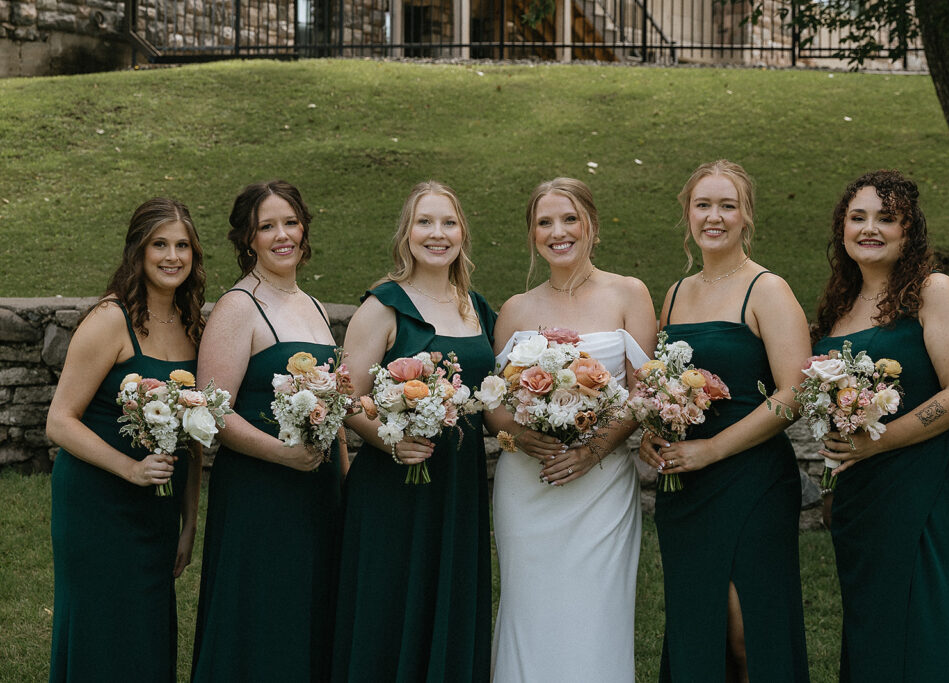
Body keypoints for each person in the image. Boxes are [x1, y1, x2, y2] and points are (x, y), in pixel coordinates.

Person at [638, 160, 810, 682]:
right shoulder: (674, 294)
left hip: (750, 479)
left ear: (746, 216)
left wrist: (712, 450)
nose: (715, 217)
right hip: (686, 486)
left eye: (727, 206)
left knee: (745, 629)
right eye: (703, 205)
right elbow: (664, 383)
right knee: (699, 623)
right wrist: (655, 429)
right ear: (688, 214)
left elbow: (794, 393)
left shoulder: (768, 290)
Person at [812, 170, 949, 682]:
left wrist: (871, 445)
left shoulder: (933, 291)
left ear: (910, 230)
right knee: (872, 621)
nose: (870, 228)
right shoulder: (837, 306)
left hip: (924, 476)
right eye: (857, 217)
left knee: (922, 617)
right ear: (842, 227)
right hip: (861, 488)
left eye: (886, 218)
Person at [488, 177, 657, 683]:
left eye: (569, 219)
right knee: (529, 610)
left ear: (593, 227)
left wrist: (593, 448)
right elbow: (494, 403)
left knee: (596, 614)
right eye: (544, 222)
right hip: (528, 485)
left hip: (600, 485)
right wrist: (519, 436)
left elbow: (644, 392)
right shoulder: (516, 309)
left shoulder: (630, 293)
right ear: (532, 234)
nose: (557, 232)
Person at [331, 181, 496, 682]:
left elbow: (489, 402)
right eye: (425, 222)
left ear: (463, 233)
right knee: (390, 606)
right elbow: (343, 396)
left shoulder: (477, 308)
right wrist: (389, 439)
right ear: (407, 233)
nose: (437, 233)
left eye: (448, 222)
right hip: (394, 487)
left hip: (457, 485)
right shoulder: (383, 305)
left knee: (446, 597)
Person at [191, 181, 346, 682]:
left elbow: (334, 406)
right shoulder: (238, 307)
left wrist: (344, 485)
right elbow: (212, 412)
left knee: (310, 613)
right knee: (262, 617)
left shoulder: (317, 308)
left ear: (304, 228)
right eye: (267, 226)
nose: (282, 235)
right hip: (259, 493)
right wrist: (281, 455)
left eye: (290, 222)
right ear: (248, 240)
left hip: (317, 493)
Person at [46, 198, 205, 682]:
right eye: (160, 244)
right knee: (101, 628)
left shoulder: (193, 325)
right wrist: (130, 469)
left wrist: (189, 522)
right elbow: (59, 421)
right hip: (98, 505)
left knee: (148, 631)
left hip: (158, 506)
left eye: (182, 246)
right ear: (138, 249)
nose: (172, 256)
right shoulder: (111, 320)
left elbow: (195, 436)